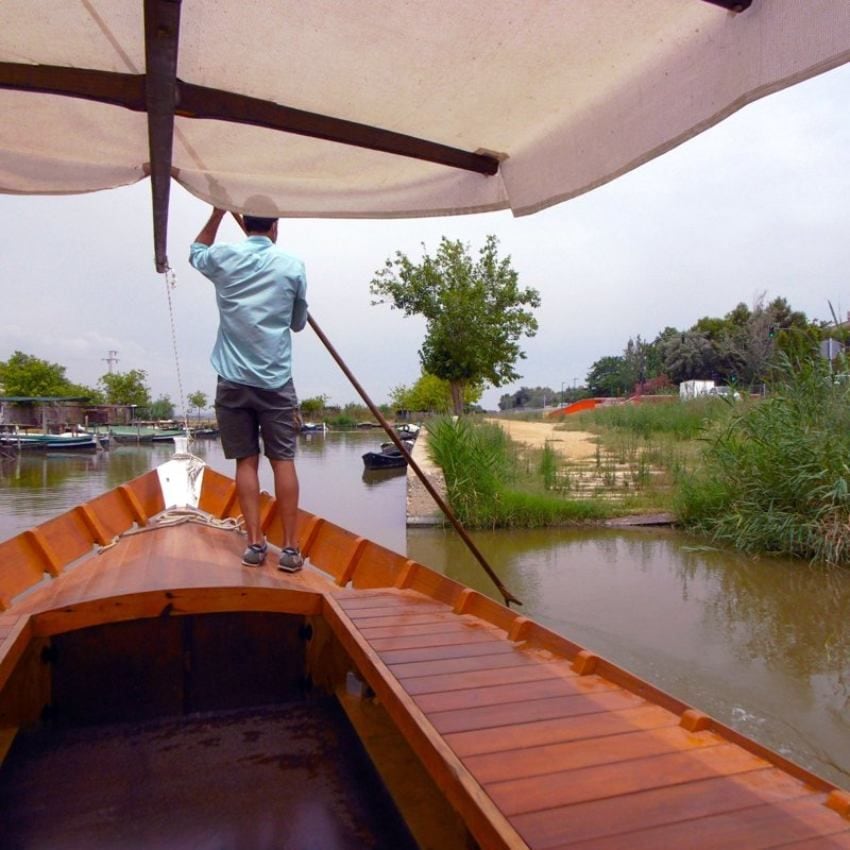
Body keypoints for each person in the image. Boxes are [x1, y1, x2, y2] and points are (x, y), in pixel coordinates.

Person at [189, 206, 308, 571]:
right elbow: (298, 323)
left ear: (247, 224)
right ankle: (289, 551)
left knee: (246, 461)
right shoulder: (292, 266)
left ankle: (255, 544)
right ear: (275, 227)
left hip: (233, 380)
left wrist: (217, 213)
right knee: (283, 460)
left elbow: (195, 252)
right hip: (275, 381)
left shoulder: (224, 257)